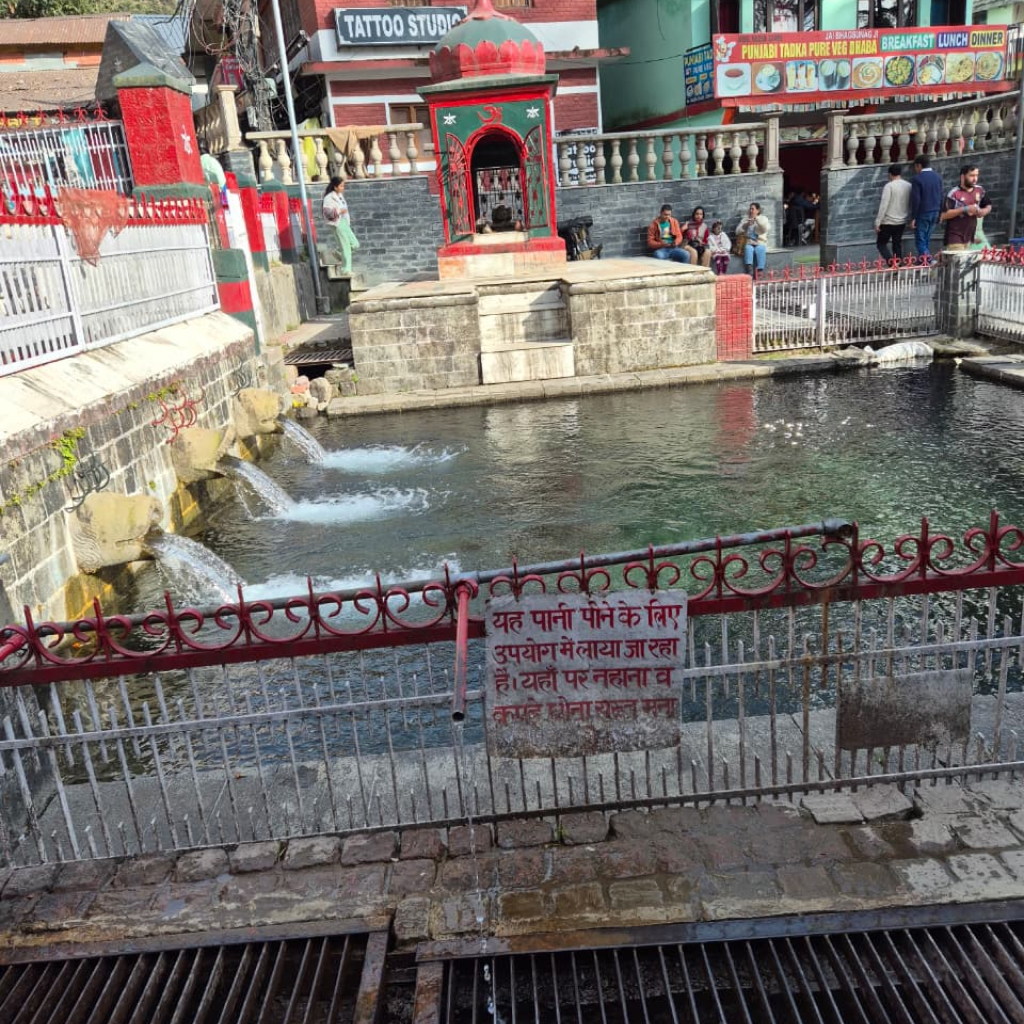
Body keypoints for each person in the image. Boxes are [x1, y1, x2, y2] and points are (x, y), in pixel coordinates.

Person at [941, 163, 991, 252]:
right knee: (959, 264)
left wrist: (984, 211)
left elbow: (988, 205)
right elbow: (943, 215)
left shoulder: (980, 190)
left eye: (976, 175)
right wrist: (965, 209)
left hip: (970, 237)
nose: (975, 179)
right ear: (962, 177)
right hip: (955, 236)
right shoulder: (954, 193)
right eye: (972, 175)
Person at [874, 163, 912, 262]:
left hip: (888, 221)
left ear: (890, 174)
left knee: (881, 244)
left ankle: (892, 263)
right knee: (897, 244)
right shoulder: (908, 185)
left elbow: (883, 205)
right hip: (901, 221)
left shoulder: (889, 186)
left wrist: (878, 222)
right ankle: (898, 264)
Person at [322, 176, 359, 275]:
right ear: (335, 187)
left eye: (343, 186)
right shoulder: (329, 198)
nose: (343, 188)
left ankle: (338, 252)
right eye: (341, 186)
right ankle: (345, 270)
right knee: (346, 247)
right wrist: (339, 211)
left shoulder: (340, 196)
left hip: (344, 223)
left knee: (355, 244)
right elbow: (327, 212)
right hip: (337, 223)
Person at [909, 155, 943, 261]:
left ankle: (928, 260)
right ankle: (922, 261)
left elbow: (916, 200)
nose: (916, 170)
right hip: (936, 211)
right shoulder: (938, 177)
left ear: (919, 165)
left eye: (916, 167)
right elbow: (941, 195)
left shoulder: (917, 179)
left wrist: (913, 217)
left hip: (923, 212)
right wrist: (941, 212)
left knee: (920, 239)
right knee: (927, 238)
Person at [737, 202, 770, 278]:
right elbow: (737, 231)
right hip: (748, 242)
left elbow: (765, 229)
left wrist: (756, 219)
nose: (751, 210)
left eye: (753, 209)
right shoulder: (745, 219)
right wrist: (746, 225)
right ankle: (750, 271)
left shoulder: (763, 218)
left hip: (759, 242)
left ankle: (760, 271)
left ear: (758, 210)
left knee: (761, 248)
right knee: (748, 249)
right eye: (750, 209)